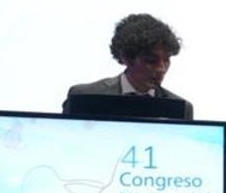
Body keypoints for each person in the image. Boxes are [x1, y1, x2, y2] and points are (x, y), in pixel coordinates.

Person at [63, 13, 194, 118]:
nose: (162, 69)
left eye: (166, 60)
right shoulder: (84, 96)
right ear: (126, 58)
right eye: (151, 61)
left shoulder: (181, 108)